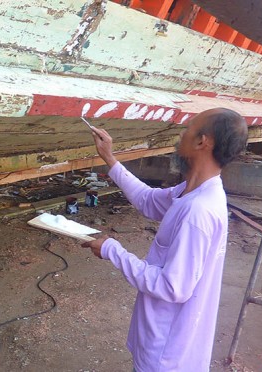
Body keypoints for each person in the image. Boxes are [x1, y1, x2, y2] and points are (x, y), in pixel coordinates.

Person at [81, 108, 248, 371]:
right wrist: (110, 159)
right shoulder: (190, 192)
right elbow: (148, 201)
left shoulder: (198, 211)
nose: (180, 136)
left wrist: (113, 250)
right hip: (165, 340)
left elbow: (173, 288)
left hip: (166, 353)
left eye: (188, 129)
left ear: (202, 141)